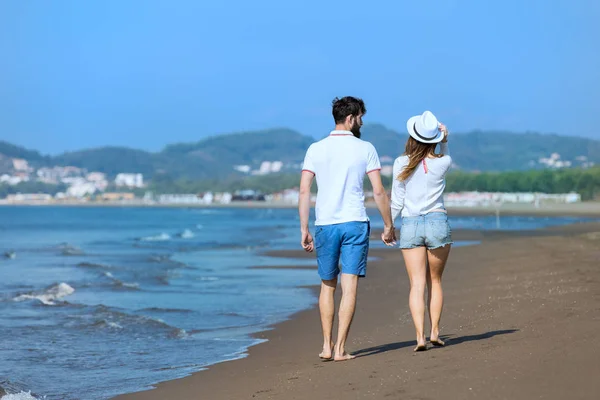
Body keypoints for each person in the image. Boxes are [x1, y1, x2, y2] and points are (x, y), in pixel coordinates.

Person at [298, 96, 396, 361]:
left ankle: (327, 347)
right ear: (351, 118)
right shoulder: (365, 148)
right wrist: (388, 225)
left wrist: (304, 227)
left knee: (327, 286)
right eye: (361, 117)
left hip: (325, 224)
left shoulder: (315, 149)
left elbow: (305, 189)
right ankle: (341, 348)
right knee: (349, 287)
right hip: (354, 223)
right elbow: (378, 190)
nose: (362, 122)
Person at [391, 110, 452, 352]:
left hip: (411, 223)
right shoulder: (443, 163)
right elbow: (444, 152)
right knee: (435, 281)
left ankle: (419, 337)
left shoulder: (400, 163)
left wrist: (388, 226)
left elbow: (397, 200)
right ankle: (435, 331)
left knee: (417, 284)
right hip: (437, 221)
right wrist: (444, 139)